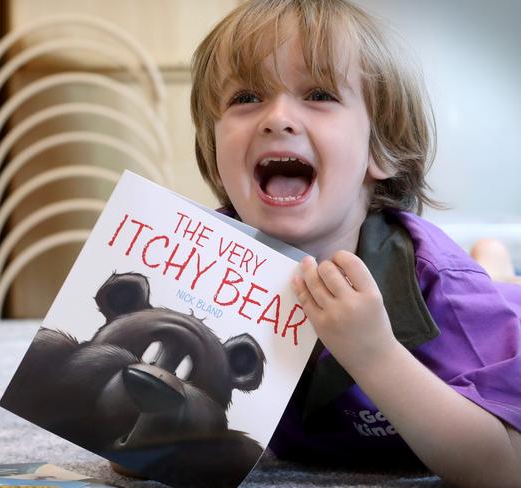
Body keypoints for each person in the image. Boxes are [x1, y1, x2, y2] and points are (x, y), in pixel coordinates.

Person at [190, 1, 521, 486]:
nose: (277, 118)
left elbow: (505, 469)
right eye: (246, 98)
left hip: (482, 303)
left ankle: (494, 266)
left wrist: (374, 355)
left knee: (491, 289)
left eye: (319, 93)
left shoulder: (442, 286)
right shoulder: (189, 261)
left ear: (380, 149)